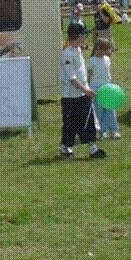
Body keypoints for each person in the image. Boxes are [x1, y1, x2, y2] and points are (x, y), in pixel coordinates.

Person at [57, 22, 107, 159]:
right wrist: (86, 90)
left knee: (88, 120)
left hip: (83, 93)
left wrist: (86, 91)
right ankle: (65, 147)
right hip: (71, 96)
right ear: (79, 36)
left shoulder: (77, 49)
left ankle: (93, 148)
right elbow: (72, 78)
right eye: (84, 35)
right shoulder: (66, 54)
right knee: (70, 124)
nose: (85, 38)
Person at [87, 39, 121, 140]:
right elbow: (89, 76)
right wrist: (89, 89)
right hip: (96, 88)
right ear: (98, 49)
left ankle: (113, 130)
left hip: (107, 87)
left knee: (110, 109)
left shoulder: (107, 59)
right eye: (106, 49)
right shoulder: (91, 61)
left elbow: (108, 73)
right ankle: (102, 131)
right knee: (98, 110)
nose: (108, 52)